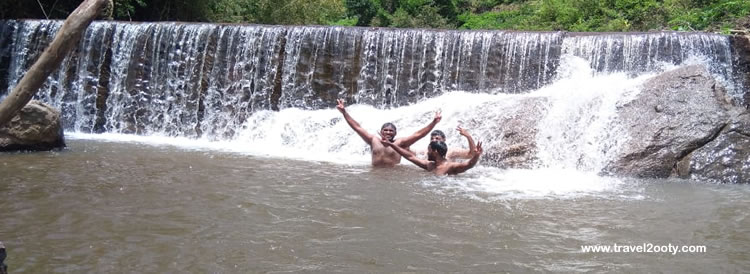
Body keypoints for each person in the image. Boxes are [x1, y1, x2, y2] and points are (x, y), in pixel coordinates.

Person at [336, 98, 441, 167]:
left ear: (395, 133)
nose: (388, 132)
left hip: (392, 176)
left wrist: (434, 122)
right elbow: (357, 127)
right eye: (385, 130)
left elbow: (418, 135)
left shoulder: (400, 143)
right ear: (381, 132)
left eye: (391, 131)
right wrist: (344, 112)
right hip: (375, 174)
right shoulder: (373, 140)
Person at [381, 129, 483, 175]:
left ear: (435, 152)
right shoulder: (430, 165)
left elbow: (469, 163)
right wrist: (391, 144)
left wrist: (476, 155)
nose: (433, 140)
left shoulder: (451, 166)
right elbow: (410, 156)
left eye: (437, 139)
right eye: (432, 139)